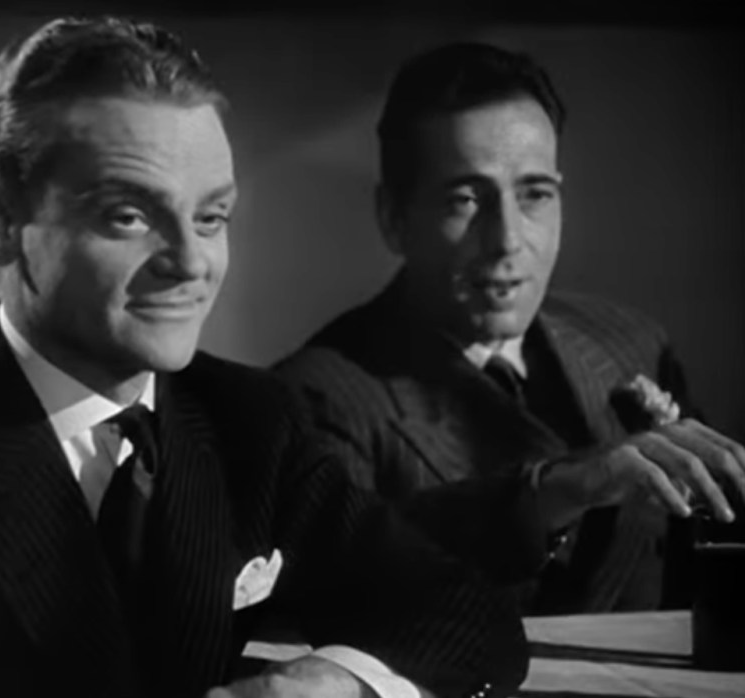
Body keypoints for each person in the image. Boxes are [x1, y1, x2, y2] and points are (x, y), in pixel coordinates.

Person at [0, 18, 529, 698]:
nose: (191, 262)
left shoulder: (253, 423)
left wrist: (335, 681)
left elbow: (463, 612)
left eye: (211, 218)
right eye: (129, 217)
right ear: (0, 225)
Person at [275, 42, 745, 615]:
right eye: (465, 199)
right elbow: (344, 589)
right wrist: (551, 492)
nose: (507, 240)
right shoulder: (317, 397)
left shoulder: (633, 343)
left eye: (535, 195)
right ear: (393, 217)